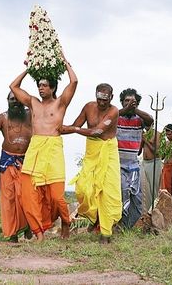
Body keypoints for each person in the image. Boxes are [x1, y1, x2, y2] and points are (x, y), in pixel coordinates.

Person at [10, 56, 78, 241]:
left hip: (53, 149)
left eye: (45, 85)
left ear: (53, 88)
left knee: (56, 196)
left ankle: (66, 221)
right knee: (28, 193)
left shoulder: (60, 103)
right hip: (35, 149)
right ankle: (39, 233)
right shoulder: (33, 102)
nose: (41, 88)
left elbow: (74, 82)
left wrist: (65, 62)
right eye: (39, 85)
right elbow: (13, 86)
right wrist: (29, 68)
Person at [62, 83, 122, 244]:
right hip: (91, 152)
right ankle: (95, 218)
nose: (101, 102)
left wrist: (73, 130)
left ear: (111, 97)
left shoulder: (114, 111)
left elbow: (97, 131)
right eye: (99, 98)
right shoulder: (89, 107)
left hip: (108, 152)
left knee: (107, 192)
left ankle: (106, 233)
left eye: (105, 99)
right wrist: (58, 129)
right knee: (84, 188)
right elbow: (75, 125)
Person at [0, 91, 33, 242]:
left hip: (27, 160)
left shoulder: (31, 114)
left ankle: (28, 225)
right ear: (7, 101)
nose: (15, 102)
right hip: (7, 161)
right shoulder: (2, 117)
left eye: (18, 99)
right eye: (12, 99)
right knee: (9, 198)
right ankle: (13, 234)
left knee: (25, 196)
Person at [116, 88, 153, 228]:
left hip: (133, 164)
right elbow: (109, 117)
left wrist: (134, 109)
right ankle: (120, 224)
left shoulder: (140, 119)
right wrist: (127, 108)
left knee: (136, 196)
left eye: (133, 101)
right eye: (126, 101)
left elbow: (150, 120)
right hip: (117, 164)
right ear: (121, 102)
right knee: (122, 192)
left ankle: (130, 226)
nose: (129, 103)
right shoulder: (116, 116)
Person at [159, 124, 172, 195]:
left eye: (169, 134)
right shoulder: (166, 143)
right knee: (164, 187)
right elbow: (162, 157)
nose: (167, 136)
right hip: (165, 167)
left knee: (171, 187)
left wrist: (171, 150)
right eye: (166, 135)